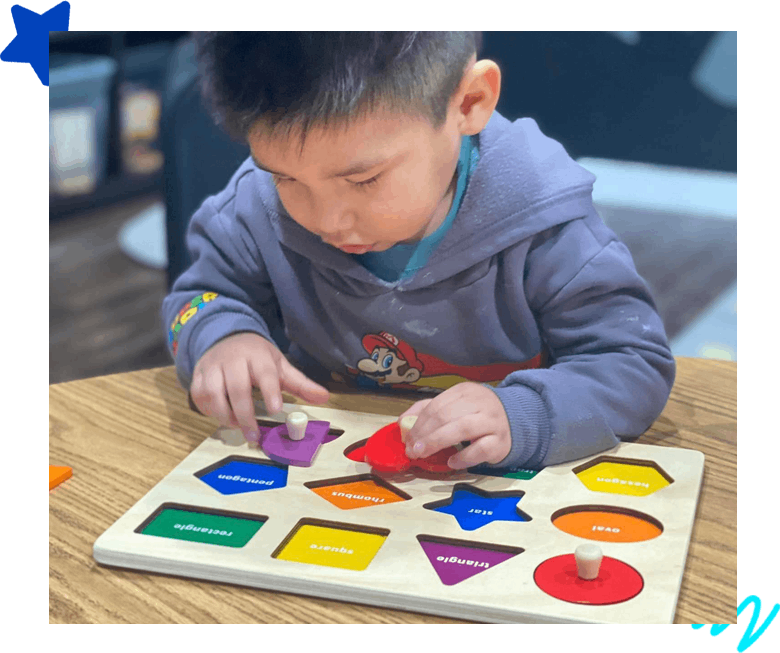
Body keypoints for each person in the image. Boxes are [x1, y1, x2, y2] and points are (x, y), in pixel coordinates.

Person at [162, 32, 675, 472]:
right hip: (328, 470)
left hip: (491, 491)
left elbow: (631, 362)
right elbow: (199, 297)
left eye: (363, 179)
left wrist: (524, 414)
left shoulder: (544, 223)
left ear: (469, 103)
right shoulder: (255, 206)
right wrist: (220, 337)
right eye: (286, 177)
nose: (326, 219)